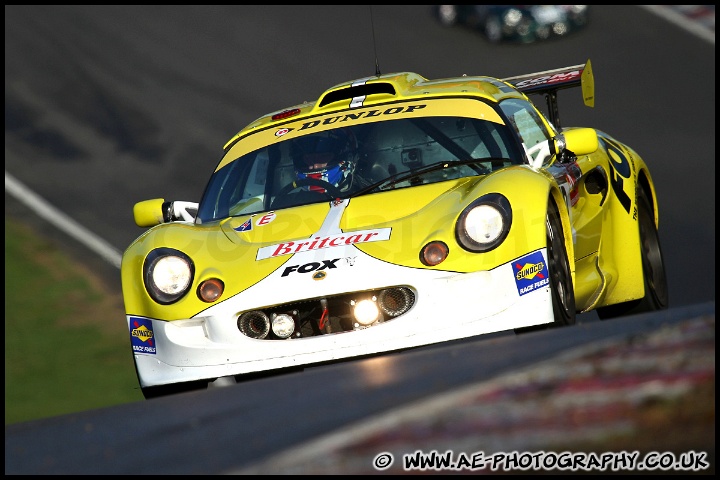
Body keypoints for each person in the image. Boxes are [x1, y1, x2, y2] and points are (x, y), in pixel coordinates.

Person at [289, 128, 358, 193]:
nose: (315, 166)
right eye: (308, 158)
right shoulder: (291, 202)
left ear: (348, 158)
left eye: (323, 157)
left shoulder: (365, 195)